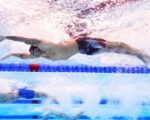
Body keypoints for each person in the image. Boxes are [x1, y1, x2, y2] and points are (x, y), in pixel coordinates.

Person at [0, 34, 150, 64]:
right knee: (116, 51)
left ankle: (140, 52)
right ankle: (139, 55)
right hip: (84, 52)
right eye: (32, 54)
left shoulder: (45, 45)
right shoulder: (41, 56)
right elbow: (21, 56)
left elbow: (25, 40)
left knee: (118, 45)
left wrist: (6, 37)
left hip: (83, 43)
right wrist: (6, 56)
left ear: (36, 48)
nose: (33, 55)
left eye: (33, 51)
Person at [0, 87, 83, 120]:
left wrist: (52, 98)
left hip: (16, 94)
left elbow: (39, 94)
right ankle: (70, 116)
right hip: (15, 94)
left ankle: (70, 116)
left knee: (45, 98)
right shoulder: (12, 94)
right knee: (49, 106)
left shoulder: (13, 93)